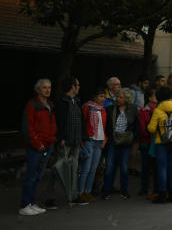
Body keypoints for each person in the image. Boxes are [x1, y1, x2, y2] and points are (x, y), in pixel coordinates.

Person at [20, 78, 57, 215]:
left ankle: (31, 203)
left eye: (49, 87)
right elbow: (28, 127)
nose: (48, 90)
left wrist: (52, 139)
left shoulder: (50, 104)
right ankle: (24, 205)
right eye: (44, 88)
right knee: (31, 175)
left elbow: (52, 124)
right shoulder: (32, 105)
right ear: (38, 90)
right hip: (36, 146)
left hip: (48, 144)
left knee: (38, 176)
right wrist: (37, 143)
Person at [147, 86, 172, 204]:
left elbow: (151, 128)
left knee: (162, 168)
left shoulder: (158, 110)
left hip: (162, 142)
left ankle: (162, 195)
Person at [102, 88, 138, 200]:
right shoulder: (110, 109)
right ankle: (106, 190)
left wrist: (134, 140)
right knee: (109, 167)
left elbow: (136, 125)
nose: (118, 99)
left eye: (121, 97)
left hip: (126, 141)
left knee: (124, 167)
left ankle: (124, 190)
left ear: (126, 99)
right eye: (117, 97)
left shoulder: (132, 109)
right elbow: (106, 126)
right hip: (113, 140)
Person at [55, 77, 84, 206]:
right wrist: (60, 138)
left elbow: (79, 121)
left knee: (74, 170)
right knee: (60, 168)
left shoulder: (76, 101)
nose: (79, 87)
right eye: (77, 85)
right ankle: (52, 197)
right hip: (65, 142)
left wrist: (81, 139)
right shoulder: (62, 102)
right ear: (72, 86)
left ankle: (73, 196)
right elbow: (59, 121)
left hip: (76, 141)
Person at [77, 88, 108, 204]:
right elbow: (83, 124)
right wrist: (83, 140)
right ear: (95, 97)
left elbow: (103, 127)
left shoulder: (103, 110)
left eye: (104, 97)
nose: (103, 99)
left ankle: (88, 192)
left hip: (99, 141)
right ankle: (80, 192)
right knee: (86, 168)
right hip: (89, 140)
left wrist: (105, 138)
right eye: (101, 96)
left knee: (93, 169)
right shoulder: (87, 107)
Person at [137, 89, 158, 198]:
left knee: (155, 167)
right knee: (145, 167)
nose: (156, 97)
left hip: (156, 142)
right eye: (154, 95)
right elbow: (143, 128)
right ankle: (144, 188)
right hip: (146, 142)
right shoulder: (143, 111)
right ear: (149, 98)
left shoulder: (159, 109)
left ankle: (154, 189)